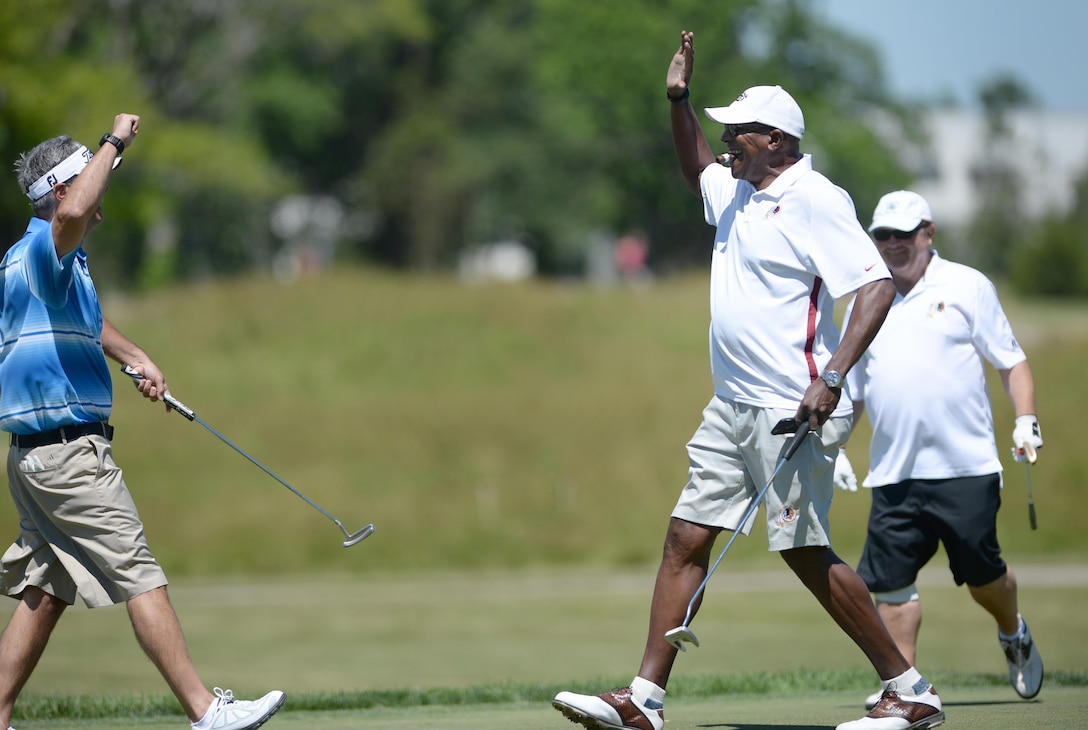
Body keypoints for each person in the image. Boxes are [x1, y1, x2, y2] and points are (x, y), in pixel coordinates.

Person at [552, 31, 944, 730]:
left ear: (778, 140)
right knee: (685, 538)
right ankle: (644, 702)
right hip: (731, 405)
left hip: (793, 407)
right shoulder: (735, 191)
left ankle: (910, 690)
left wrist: (831, 378)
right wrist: (678, 99)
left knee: (802, 549)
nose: (728, 140)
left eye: (741, 132)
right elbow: (692, 162)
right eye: (726, 131)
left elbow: (876, 286)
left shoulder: (814, 198)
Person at [0, 115, 286, 730]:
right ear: (60, 193)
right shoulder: (47, 244)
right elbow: (75, 214)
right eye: (93, 191)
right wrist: (114, 141)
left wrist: (135, 358)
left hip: (36, 456)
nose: (100, 211)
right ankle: (205, 712)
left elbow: (86, 325)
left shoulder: (49, 262)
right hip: (67, 455)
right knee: (138, 573)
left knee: (47, 588)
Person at [836, 190, 1044, 709]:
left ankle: (1012, 630)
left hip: (965, 465)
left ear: (928, 233)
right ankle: (904, 687)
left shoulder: (967, 285)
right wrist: (832, 446)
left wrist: (1025, 421)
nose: (892, 244)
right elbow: (853, 391)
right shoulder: (865, 298)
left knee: (982, 573)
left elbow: (1011, 361)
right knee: (889, 584)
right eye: (882, 235)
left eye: (903, 235)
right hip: (893, 470)